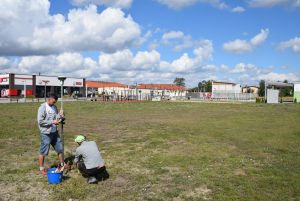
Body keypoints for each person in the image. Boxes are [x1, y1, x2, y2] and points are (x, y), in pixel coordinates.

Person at [37, 93, 65, 175]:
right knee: (43, 151)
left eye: (55, 102)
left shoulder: (54, 107)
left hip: (55, 132)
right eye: (53, 102)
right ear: (49, 99)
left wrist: (61, 115)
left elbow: (57, 118)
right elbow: (40, 121)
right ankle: (41, 168)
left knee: (60, 149)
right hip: (46, 133)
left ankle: (62, 164)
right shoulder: (42, 108)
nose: (54, 103)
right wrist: (52, 122)